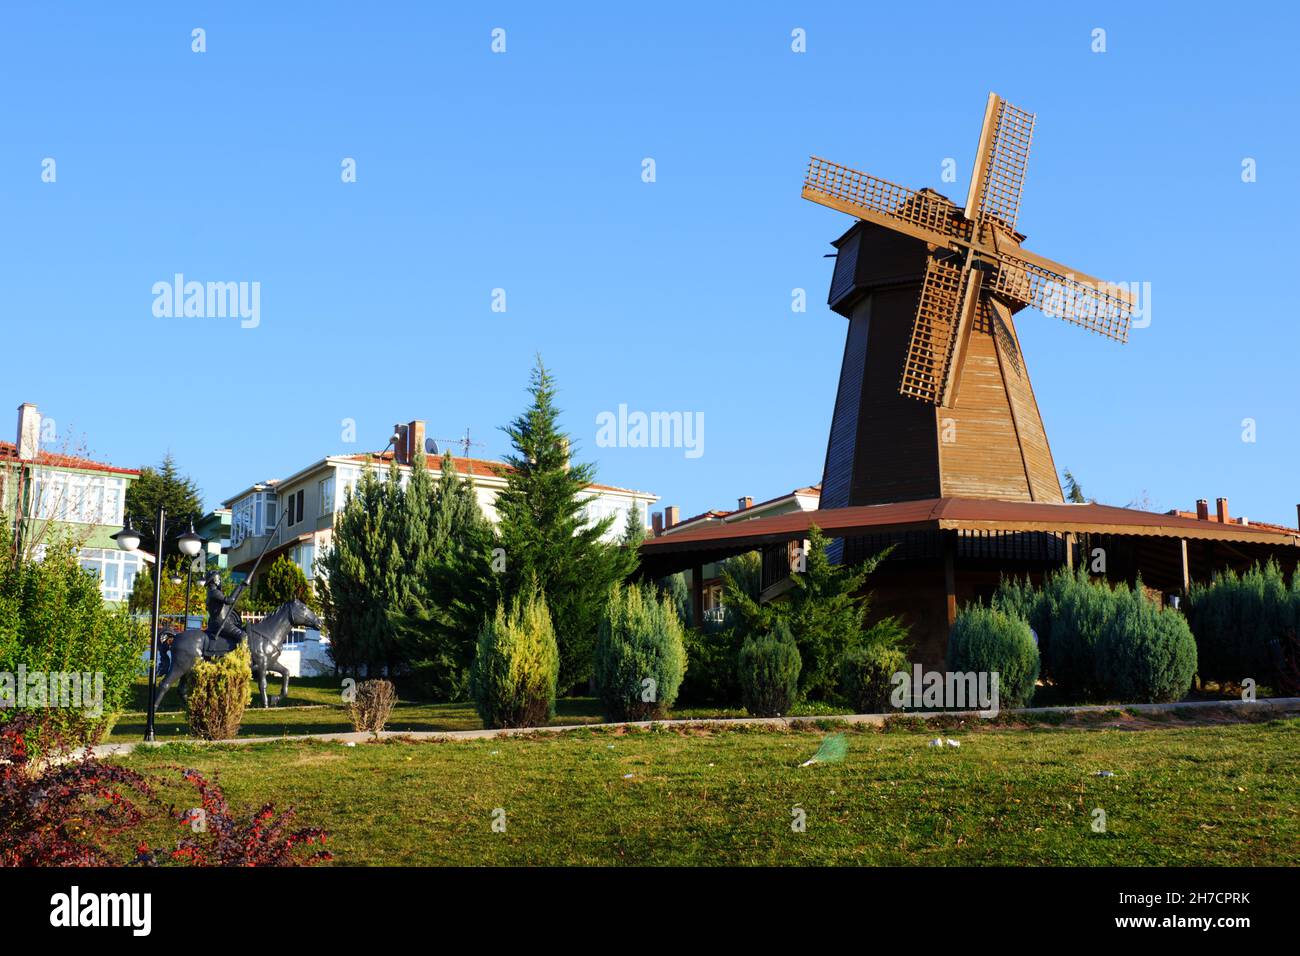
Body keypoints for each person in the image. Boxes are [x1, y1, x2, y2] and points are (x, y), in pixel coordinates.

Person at [203, 571, 247, 653]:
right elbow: (229, 601)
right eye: (218, 578)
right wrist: (239, 587)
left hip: (217, 622)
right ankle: (240, 657)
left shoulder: (211, 592)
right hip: (222, 623)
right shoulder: (214, 592)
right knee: (243, 636)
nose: (220, 580)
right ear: (214, 580)